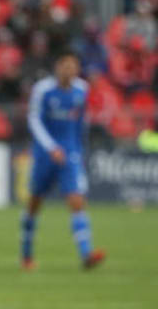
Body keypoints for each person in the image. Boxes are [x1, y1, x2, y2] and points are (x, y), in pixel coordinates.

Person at [21, 51, 105, 271]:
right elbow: (34, 120)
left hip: (70, 153)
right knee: (34, 204)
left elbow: (81, 122)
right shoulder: (43, 90)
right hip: (44, 154)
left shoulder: (82, 89)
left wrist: (78, 149)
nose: (69, 70)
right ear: (57, 67)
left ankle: (86, 254)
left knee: (77, 201)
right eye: (65, 65)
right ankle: (26, 254)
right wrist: (50, 147)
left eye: (73, 66)